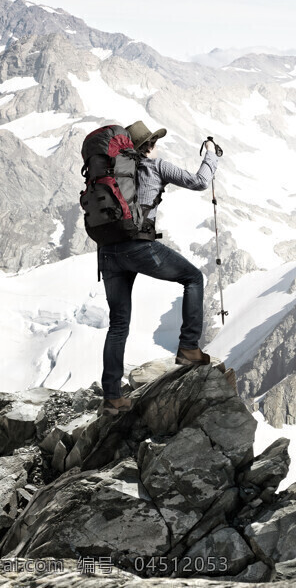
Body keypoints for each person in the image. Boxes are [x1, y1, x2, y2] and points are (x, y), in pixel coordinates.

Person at [97, 120, 220, 415]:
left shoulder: (110, 172)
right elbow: (199, 182)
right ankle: (189, 348)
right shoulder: (156, 166)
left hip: (108, 251)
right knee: (193, 278)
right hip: (139, 246)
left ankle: (112, 397)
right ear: (149, 145)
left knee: (118, 325)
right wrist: (212, 156)